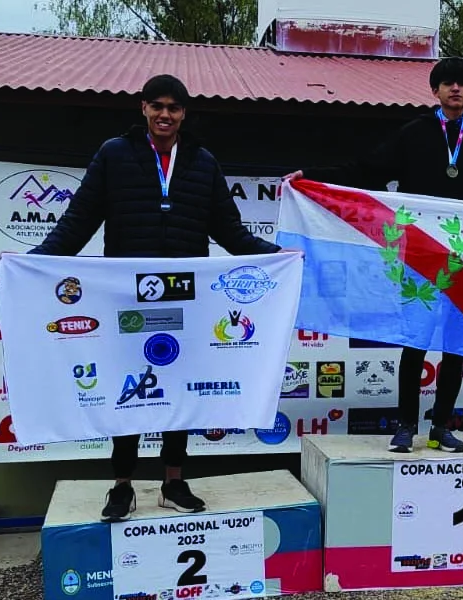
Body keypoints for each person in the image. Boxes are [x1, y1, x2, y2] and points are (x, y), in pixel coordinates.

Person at [26, 74, 287, 523]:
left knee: (180, 392)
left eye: (174, 107)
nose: (165, 114)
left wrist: (281, 257)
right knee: (129, 390)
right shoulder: (114, 154)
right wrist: (30, 262)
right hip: (130, 301)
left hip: (186, 301)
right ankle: (123, 485)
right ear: (142, 108)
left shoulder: (203, 162)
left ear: (184, 114)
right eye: (157, 106)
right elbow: (78, 221)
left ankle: (173, 481)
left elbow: (230, 231)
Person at [283, 57, 463, 454]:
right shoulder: (413, 134)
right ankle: (405, 426)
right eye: (446, 83)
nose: (454, 89)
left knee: (455, 348)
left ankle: (442, 426)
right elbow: (366, 171)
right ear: (434, 91)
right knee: (414, 342)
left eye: (462, 84)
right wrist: (312, 177)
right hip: (420, 258)